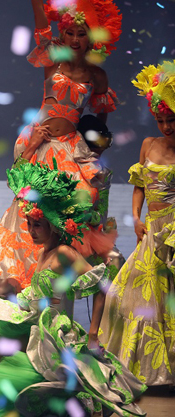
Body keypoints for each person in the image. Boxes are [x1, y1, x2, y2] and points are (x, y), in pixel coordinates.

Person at [0, 161, 146, 417]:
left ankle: (28, 382)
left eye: (37, 225)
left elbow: (101, 284)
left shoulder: (64, 253)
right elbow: (38, 291)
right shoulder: (44, 253)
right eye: (29, 224)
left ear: (52, 224)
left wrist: (93, 332)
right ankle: (15, 377)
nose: (31, 231)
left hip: (51, 330)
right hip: (33, 319)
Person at [0, 0, 122, 288]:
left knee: (75, 206)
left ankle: (62, 269)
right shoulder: (53, 60)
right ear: (63, 33)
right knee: (31, 209)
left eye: (81, 34)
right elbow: (41, 27)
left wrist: (96, 143)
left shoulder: (97, 76)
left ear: (91, 38)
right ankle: (29, 277)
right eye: (70, 32)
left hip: (70, 147)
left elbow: (101, 114)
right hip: (40, 142)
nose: (75, 39)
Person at [100, 60, 175, 387]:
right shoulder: (148, 144)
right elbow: (139, 185)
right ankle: (142, 367)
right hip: (152, 228)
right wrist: (135, 218)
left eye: (171, 119)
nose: (165, 126)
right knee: (128, 294)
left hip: (173, 230)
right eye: (160, 120)